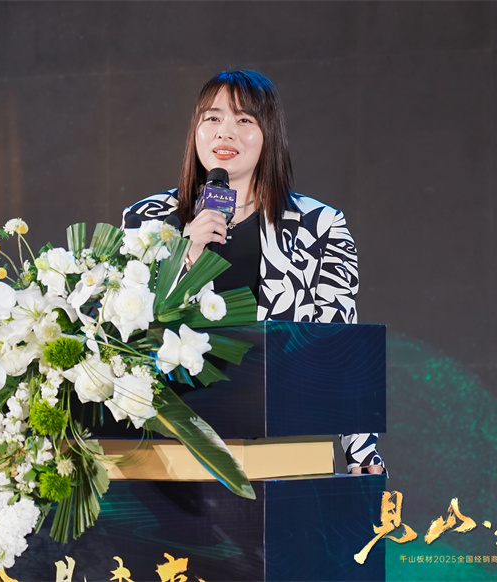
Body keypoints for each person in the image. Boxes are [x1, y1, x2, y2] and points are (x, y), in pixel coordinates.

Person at [123, 69, 385, 475]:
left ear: (269, 134)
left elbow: (337, 342)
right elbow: (126, 334)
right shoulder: (148, 220)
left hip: (282, 443)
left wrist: (361, 452)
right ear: (196, 131)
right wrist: (185, 253)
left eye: (243, 119)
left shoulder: (318, 226)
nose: (224, 132)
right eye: (212, 118)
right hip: (169, 448)